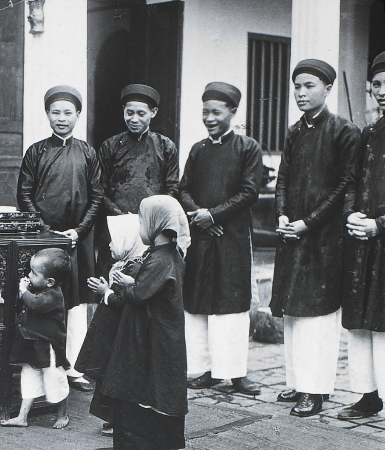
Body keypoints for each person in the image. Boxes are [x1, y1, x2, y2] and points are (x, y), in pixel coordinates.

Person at [270, 59, 361, 417]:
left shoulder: (343, 131)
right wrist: (282, 213)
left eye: (309, 86)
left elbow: (344, 186)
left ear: (327, 88)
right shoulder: (294, 131)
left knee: (318, 316)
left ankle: (317, 389)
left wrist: (309, 222)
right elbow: (283, 178)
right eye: (297, 86)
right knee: (293, 313)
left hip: (324, 238)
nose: (301, 93)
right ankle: (297, 381)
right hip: (293, 234)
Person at [17, 85, 104, 393]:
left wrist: (79, 231)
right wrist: (46, 230)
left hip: (77, 240)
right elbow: (24, 195)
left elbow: (97, 196)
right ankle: (45, 365)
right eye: (56, 112)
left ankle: (76, 368)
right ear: (47, 115)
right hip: (46, 241)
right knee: (45, 302)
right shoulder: (36, 152)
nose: (62, 118)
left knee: (76, 303)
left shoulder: (87, 152)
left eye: (68, 113)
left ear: (78, 115)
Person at [178, 82, 263, 396]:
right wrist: (199, 214)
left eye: (216, 111)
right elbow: (182, 188)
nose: (210, 117)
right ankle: (207, 370)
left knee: (231, 303)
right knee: (199, 301)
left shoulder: (247, 148)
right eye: (205, 111)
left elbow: (249, 191)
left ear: (233, 112)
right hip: (202, 237)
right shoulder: (198, 149)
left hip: (232, 238)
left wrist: (214, 215)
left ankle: (236, 374)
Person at [99, 195, 190, 450]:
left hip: (155, 334)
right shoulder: (169, 255)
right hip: (165, 332)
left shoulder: (160, 259)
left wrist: (114, 289)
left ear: (155, 224)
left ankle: (146, 447)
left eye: (142, 221)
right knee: (165, 386)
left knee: (146, 386)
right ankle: (172, 442)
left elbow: (139, 296)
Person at [339, 52, 385, 420]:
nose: (382, 92)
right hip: (362, 242)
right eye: (378, 85)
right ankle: (367, 394)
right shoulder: (369, 133)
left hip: (381, 237)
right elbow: (351, 180)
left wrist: (379, 225)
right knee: (359, 319)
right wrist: (351, 213)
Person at [96, 84, 179, 276]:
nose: (134, 119)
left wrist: (152, 219)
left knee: (146, 280)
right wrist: (121, 215)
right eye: (129, 112)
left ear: (153, 112)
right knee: (112, 278)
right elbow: (99, 189)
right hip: (117, 225)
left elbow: (172, 188)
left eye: (141, 113)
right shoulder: (110, 146)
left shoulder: (165, 146)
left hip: (152, 228)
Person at [77, 214, 147, 437]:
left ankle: (118, 420)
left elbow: (122, 301)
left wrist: (104, 292)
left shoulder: (134, 269)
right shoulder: (125, 264)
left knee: (114, 376)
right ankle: (111, 418)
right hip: (112, 330)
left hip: (119, 333)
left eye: (114, 240)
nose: (109, 244)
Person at [1, 248, 71, 429]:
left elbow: (35, 304)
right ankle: (22, 416)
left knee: (55, 379)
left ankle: (63, 413)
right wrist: (24, 292)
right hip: (30, 343)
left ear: (50, 282)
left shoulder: (54, 295)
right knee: (28, 377)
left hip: (48, 346)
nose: (29, 275)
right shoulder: (37, 288)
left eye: (34, 273)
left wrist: (23, 291)